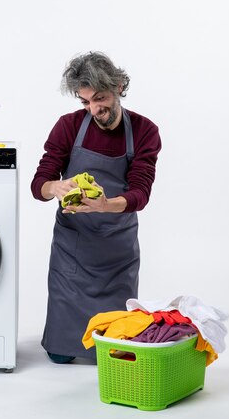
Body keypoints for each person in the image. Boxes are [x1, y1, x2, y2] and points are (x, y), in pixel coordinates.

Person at [31, 51, 162, 364]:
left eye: (100, 98)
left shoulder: (144, 131)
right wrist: (55, 188)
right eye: (85, 102)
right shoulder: (68, 127)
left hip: (117, 253)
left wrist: (107, 204)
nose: (94, 109)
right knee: (60, 356)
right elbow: (40, 183)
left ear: (118, 86)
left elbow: (140, 193)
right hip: (72, 253)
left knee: (115, 355)